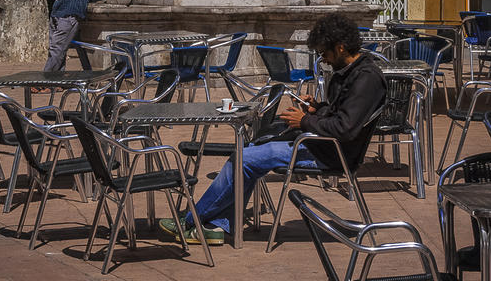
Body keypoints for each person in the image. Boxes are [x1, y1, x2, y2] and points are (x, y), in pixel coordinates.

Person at [159, 12, 386, 246]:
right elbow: (342, 114)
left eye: (324, 53)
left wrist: (304, 121)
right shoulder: (350, 73)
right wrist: (317, 109)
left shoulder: (366, 79)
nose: (323, 59)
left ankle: (190, 220)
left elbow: (345, 128)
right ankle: (219, 226)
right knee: (249, 153)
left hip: (330, 153)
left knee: (243, 158)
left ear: (340, 48)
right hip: (319, 144)